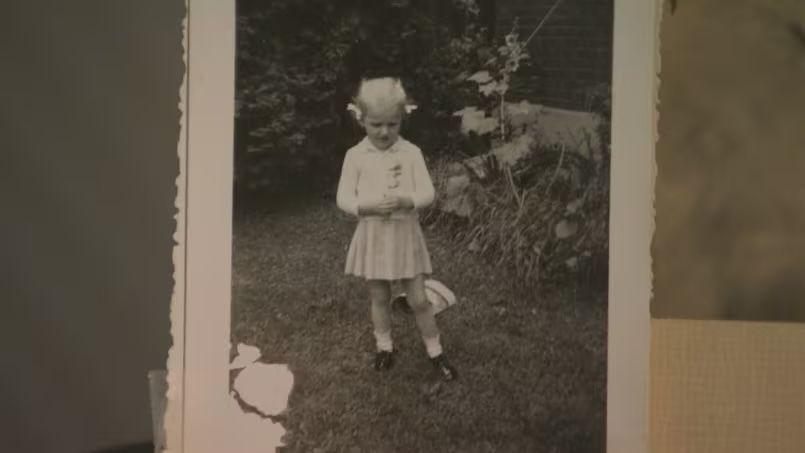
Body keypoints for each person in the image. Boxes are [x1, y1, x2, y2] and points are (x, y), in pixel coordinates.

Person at [336, 77, 457, 381]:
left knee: (418, 298)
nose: (385, 132)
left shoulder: (411, 153)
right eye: (376, 124)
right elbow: (343, 198)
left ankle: (435, 351)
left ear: (402, 119)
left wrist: (408, 200)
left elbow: (428, 193)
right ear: (361, 118)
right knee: (379, 296)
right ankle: (384, 347)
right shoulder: (355, 156)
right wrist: (367, 207)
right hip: (373, 234)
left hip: (404, 234)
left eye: (393, 123)